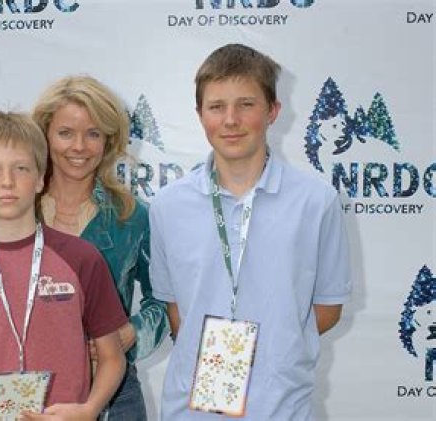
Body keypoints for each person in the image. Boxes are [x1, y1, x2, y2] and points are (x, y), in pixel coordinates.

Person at [149, 44, 351, 420]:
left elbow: (327, 308)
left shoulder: (316, 201)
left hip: (281, 408)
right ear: (199, 114)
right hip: (190, 409)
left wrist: (273, 353)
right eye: (216, 106)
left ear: (273, 110)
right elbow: (176, 311)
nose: (231, 120)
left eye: (246, 104)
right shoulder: (167, 206)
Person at [0, 110, 128, 420]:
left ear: (41, 178)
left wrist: (89, 409)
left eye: (21, 168)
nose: (7, 182)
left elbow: (112, 358)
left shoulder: (82, 259)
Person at [32, 75, 169, 420]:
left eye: (93, 134)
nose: (79, 147)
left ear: (109, 140)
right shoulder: (15, 209)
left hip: (114, 394)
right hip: (31, 388)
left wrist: (132, 333)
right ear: (44, 135)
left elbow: (165, 301)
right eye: (66, 133)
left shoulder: (132, 216)